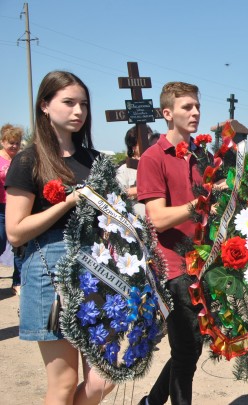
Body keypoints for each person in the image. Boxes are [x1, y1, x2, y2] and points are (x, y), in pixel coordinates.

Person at [5, 71, 115, 404]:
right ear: (45, 105)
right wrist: (67, 202)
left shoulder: (96, 160)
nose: (78, 111)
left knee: (104, 378)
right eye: (68, 102)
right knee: (63, 385)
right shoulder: (28, 160)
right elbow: (15, 231)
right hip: (50, 274)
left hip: (96, 272)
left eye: (84, 104)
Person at [136, 82, 208, 405]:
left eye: (197, 106)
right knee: (186, 349)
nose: (195, 113)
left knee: (192, 347)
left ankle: (151, 401)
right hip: (172, 268)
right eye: (186, 107)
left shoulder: (202, 156)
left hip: (203, 264)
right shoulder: (153, 157)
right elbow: (158, 218)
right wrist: (201, 203)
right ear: (167, 113)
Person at [1, 123, 24, 295]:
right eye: (11, 143)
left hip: (18, 207)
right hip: (1, 208)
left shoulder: (22, 159)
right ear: (3, 142)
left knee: (19, 246)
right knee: (1, 243)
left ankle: (17, 281)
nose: (14, 146)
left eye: (17, 143)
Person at [116, 124, 155, 218]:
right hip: (136, 218)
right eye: (144, 142)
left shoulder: (157, 165)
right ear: (133, 146)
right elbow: (119, 196)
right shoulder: (123, 169)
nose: (148, 146)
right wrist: (143, 190)